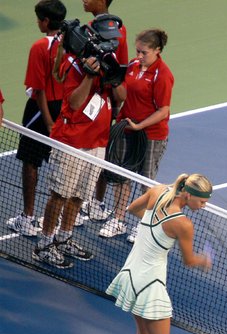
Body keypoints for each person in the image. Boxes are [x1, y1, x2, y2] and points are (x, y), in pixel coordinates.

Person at [99, 173, 213, 334]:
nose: (204, 206)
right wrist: (204, 261)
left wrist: (151, 229)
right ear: (188, 195)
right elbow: (189, 260)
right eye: (202, 202)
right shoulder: (183, 224)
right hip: (149, 284)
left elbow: (132, 209)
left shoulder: (158, 190)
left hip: (131, 274)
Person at [33, 20, 126, 269]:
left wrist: (113, 78)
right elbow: (74, 103)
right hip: (72, 142)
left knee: (78, 197)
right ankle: (44, 243)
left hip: (97, 141)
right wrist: (89, 75)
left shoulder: (109, 60)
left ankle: (64, 238)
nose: (114, 43)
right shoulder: (73, 64)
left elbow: (122, 97)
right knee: (60, 195)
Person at [98, 28, 174, 243]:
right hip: (127, 129)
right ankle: (118, 219)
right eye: (138, 51)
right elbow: (122, 93)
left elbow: (163, 110)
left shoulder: (163, 75)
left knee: (145, 181)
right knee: (122, 176)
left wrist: (140, 126)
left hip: (151, 135)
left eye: (144, 53)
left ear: (157, 51)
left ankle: (146, 224)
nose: (139, 56)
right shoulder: (132, 65)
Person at [6, 0, 67, 237]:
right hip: (65, 107)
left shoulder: (39, 47)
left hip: (41, 110)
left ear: (46, 21)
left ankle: (28, 218)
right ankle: (62, 217)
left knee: (30, 162)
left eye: (39, 18)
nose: (37, 22)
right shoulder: (71, 43)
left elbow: (38, 89)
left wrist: (48, 120)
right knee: (63, 161)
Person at [81, 0, 129, 221]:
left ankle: (96, 202)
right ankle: (83, 201)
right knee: (85, 150)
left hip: (105, 101)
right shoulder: (87, 28)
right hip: (87, 99)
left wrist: (117, 104)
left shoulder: (119, 31)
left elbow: (122, 69)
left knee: (101, 151)